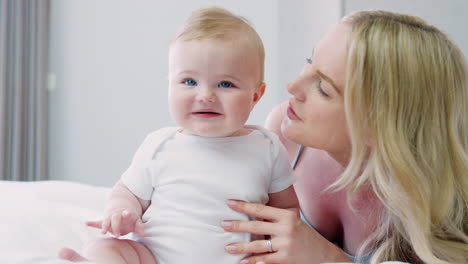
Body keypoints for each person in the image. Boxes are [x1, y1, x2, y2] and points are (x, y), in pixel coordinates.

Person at [220, 10, 468, 264]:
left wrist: (328, 257)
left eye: (323, 89)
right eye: (310, 61)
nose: (292, 86)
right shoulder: (282, 140)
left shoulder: (440, 204)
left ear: (375, 127)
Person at [58, 7, 298, 264]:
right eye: (189, 82)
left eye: (225, 84)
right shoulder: (160, 145)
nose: (205, 95)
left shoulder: (267, 148)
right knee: (106, 248)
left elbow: (287, 211)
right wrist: (122, 211)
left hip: (236, 259)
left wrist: (270, 251)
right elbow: (127, 192)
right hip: (155, 257)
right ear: (169, 86)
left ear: (255, 95)